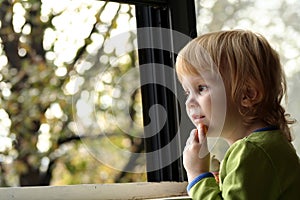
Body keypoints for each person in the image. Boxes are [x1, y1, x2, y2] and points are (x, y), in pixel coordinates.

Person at [175, 30, 300, 199]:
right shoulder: (267, 145)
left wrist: (197, 176)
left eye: (201, 88)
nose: (189, 102)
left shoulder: (251, 152)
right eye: (186, 92)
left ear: (247, 94)